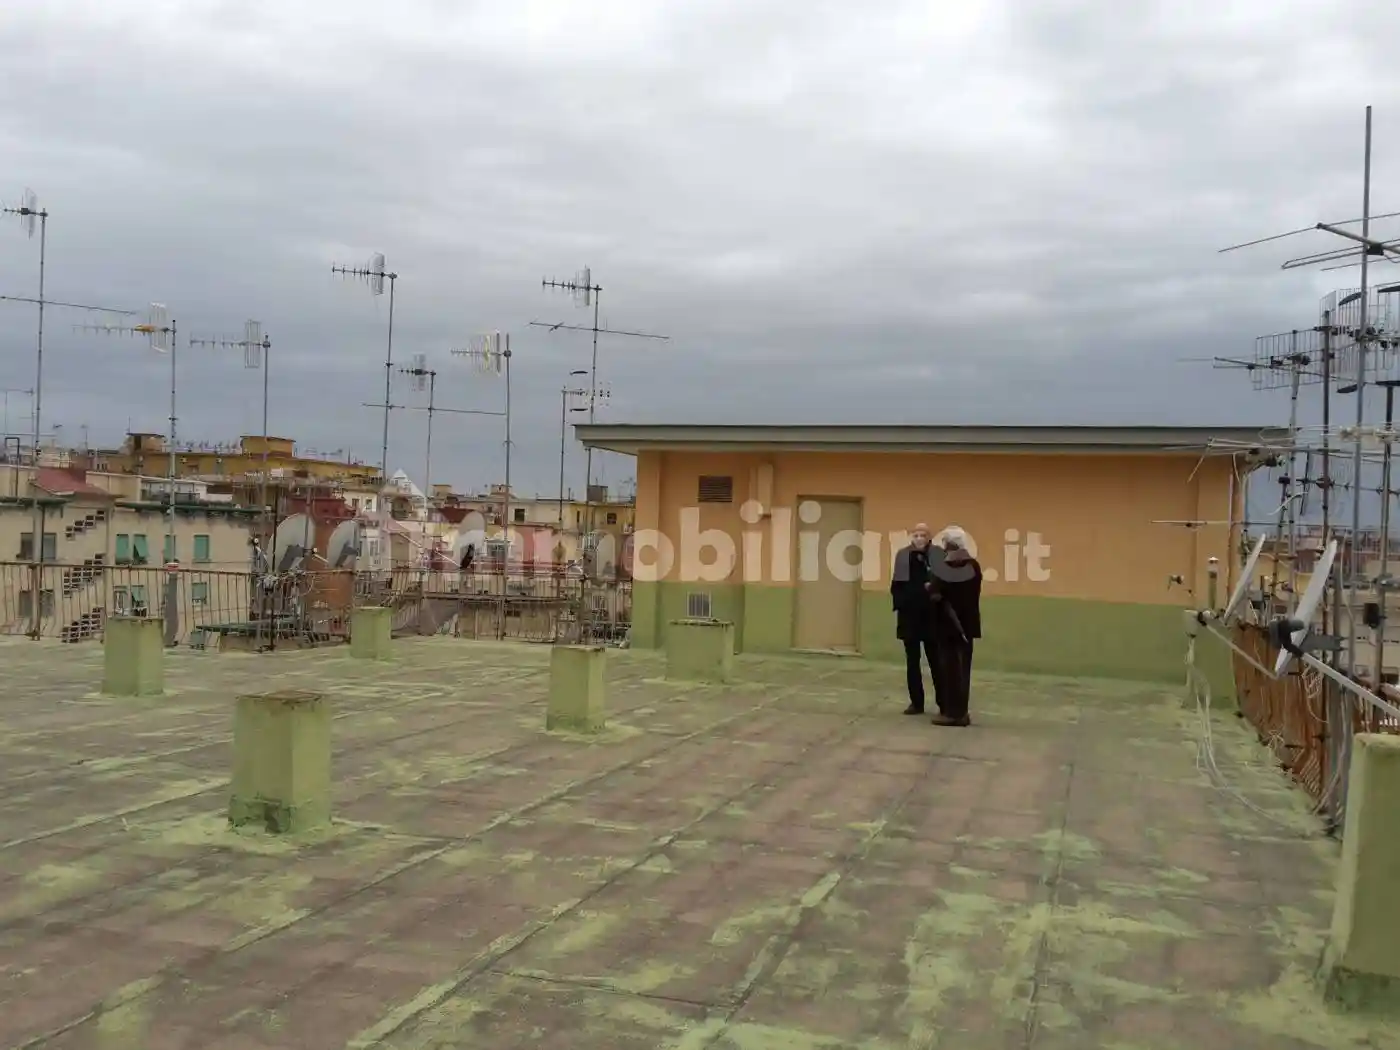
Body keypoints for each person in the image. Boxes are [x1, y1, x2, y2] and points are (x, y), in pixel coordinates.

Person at [928, 525, 982, 726]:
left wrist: (930, 589)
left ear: (949, 544)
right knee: (963, 668)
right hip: (967, 624)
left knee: (950, 669)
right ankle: (962, 711)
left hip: (948, 625)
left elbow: (936, 592)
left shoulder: (945, 566)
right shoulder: (973, 565)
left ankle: (953, 713)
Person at [891, 523, 942, 716]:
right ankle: (916, 702)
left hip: (931, 617)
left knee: (936, 661)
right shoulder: (903, 556)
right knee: (912, 662)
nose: (919, 538)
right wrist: (902, 605)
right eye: (916, 534)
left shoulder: (937, 555)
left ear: (930, 537)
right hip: (910, 616)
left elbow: (942, 583)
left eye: (923, 535)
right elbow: (897, 585)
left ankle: (943, 701)